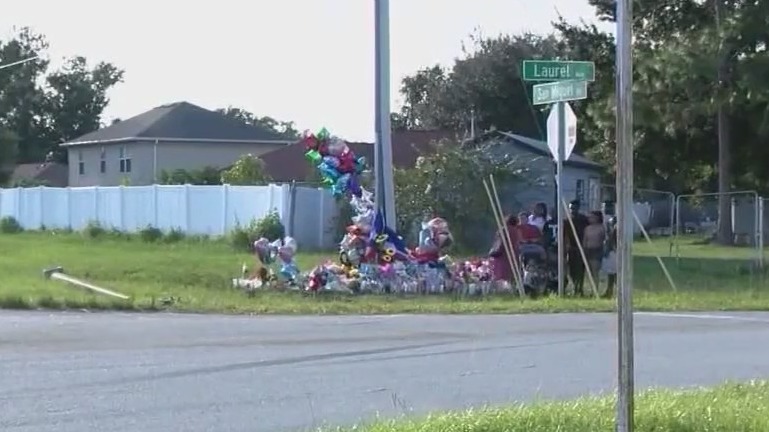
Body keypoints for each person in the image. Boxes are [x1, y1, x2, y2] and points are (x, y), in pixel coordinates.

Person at [563, 199, 590, 295]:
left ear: (578, 208)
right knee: (572, 269)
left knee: (581, 269)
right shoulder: (566, 220)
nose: (572, 210)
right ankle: (575, 286)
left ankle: (580, 288)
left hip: (582, 247)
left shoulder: (584, 220)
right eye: (571, 208)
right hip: (571, 247)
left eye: (574, 208)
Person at [489, 214, 521, 286]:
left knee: (502, 274)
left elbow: (499, 243)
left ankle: (504, 289)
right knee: (512, 272)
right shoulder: (516, 231)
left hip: (503, 254)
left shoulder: (503, 230)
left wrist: (494, 251)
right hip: (514, 253)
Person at [583, 211, 606, 293]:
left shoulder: (601, 228)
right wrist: (584, 250)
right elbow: (585, 240)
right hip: (588, 250)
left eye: (591, 217)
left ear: (597, 218)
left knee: (595, 271)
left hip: (597, 250)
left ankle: (595, 290)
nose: (589, 219)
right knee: (589, 272)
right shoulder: (587, 228)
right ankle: (591, 288)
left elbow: (605, 239)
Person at [601, 216, 618, 298]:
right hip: (611, 253)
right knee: (611, 274)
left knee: (615, 273)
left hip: (614, 253)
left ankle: (615, 291)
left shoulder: (615, 230)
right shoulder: (609, 231)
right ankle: (609, 290)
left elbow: (612, 242)